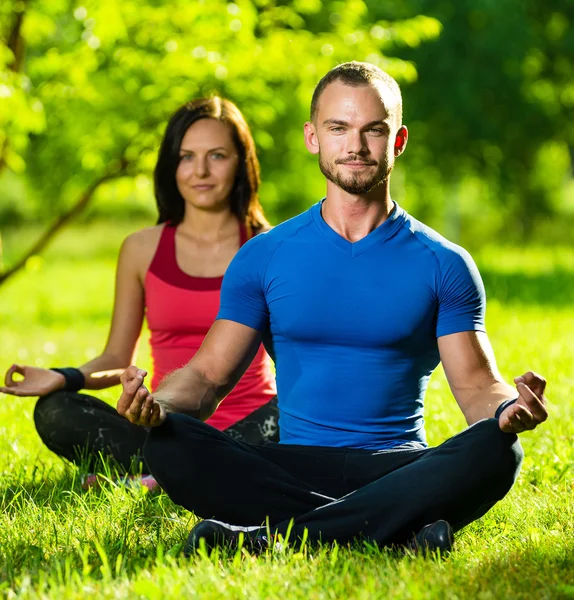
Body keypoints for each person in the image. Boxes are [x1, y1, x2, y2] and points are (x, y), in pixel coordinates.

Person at [116, 62, 548, 552]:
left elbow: (475, 386)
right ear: (313, 137)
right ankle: (397, 531)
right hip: (293, 462)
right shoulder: (264, 256)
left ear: (398, 140)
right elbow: (209, 378)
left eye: (374, 130)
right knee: (171, 444)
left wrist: (507, 409)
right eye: (338, 128)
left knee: (498, 450)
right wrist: (161, 406)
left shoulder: (444, 263)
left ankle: (266, 538)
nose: (356, 146)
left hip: (396, 465)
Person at [0, 97, 279, 486]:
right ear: (171, 165)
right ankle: (175, 472)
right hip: (164, 424)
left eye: (217, 155)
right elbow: (117, 357)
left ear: (241, 163)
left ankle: (156, 477)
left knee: (298, 409)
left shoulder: (272, 246)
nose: (200, 170)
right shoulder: (140, 249)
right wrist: (64, 377)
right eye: (186, 157)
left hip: (256, 427)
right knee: (54, 410)